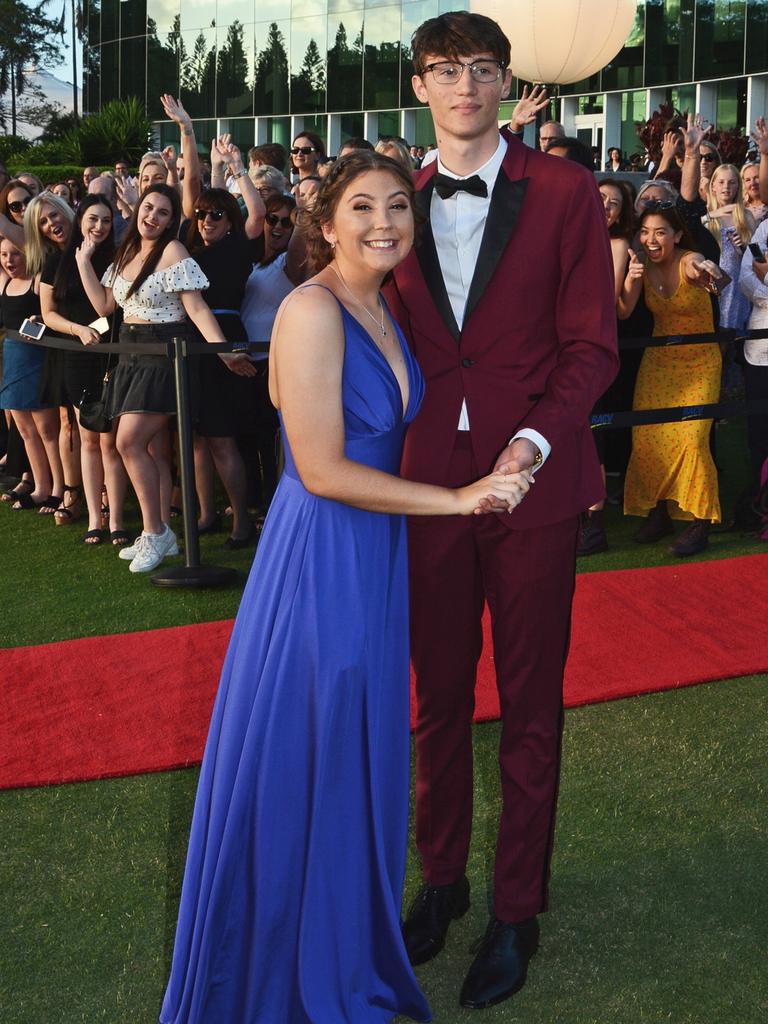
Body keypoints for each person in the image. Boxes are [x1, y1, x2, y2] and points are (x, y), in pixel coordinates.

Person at [159, 149, 531, 1024]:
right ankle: (273, 975)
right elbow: (321, 468)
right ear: (324, 223)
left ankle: (340, 947)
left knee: (352, 757)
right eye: (361, 207)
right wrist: (458, 499)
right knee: (305, 757)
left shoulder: (380, 304)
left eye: (399, 206)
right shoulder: (312, 309)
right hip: (322, 555)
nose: (383, 223)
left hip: (372, 556)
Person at [383, 11, 618, 1011]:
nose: (468, 85)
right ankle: (443, 883)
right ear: (421, 87)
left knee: (529, 704)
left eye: (484, 69)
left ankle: (517, 907)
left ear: (503, 82)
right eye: (448, 70)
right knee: (435, 700)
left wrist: (536, 441)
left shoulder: (564, 191)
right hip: (430, 487)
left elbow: (594, 346)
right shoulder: (392, 206)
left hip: (534, 485)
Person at [75, 183, 253, 573]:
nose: (152, 217)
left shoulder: (174, 251)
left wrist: (223, 351)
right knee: (148, 449)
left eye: (163, 213)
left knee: (128, 441)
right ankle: (160, 533)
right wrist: (84, 262)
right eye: (149, 208)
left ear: (173, 221)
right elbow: (106, 306)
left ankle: (156, 532)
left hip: (165, 352)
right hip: (130, 352)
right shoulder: (125, 251)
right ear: (138, 209)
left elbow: (197, 308)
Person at [619, 203, 722, 555]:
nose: (651, 239)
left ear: (677, 235)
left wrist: (708, 270)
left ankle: (700, 524)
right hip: (659, 361)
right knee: (647, 437)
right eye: (645, 232)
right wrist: (631, 276)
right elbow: (624, 310)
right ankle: (659, 512)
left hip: (699, 362)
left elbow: (701, 270)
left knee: (692, 441)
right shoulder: (643, 265)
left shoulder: (688, 260)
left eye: (660, 232)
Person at [40, 195, 129, 544]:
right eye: (93, 219)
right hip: (76, 356)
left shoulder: (117, 258)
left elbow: (106, 308)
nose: (99, 227)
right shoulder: (56, 262)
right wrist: (77, 329)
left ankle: (117, 518)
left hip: (111, 355)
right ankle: (94, 518)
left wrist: (87, 260)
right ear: (80, 219)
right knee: (89, 439)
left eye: (106, 220)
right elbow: (48, 313)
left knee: (111, 441)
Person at [24, 192, 81, 520]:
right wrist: (44, 321)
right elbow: (52, 310)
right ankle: (71, 492)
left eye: (53, 216)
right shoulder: (51, 263)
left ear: (64, 211)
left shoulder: (97, 246)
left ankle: (101, 494)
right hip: (65, 346)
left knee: (97, 426)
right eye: (42, 223)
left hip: (103, 345)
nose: (51, 225)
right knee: (66, 421)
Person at [0, 238, 63, 510]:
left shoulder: (38, 280)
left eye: (15, 253)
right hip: (12, 360)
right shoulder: (3, 282)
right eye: (3, 254)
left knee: (47, 430)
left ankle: (58, 488)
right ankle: (40, 486)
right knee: (25, 431)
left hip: (38, 359)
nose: (9, 260)